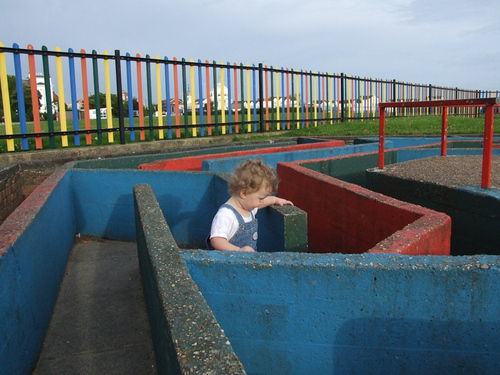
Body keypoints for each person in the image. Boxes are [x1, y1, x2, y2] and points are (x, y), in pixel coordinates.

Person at [208, 158, 294, 252]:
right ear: (244, 193)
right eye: (260, 198)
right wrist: (239, 250)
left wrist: (275, 200)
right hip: (230, 262)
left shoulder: (248, 206)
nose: (261, 202)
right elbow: (217, 240)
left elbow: (262, 203)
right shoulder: (226, 215)